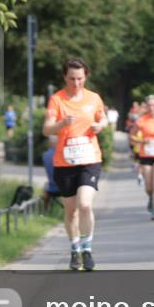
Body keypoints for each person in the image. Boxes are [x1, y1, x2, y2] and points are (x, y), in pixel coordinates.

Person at [43, 57, 107, 271]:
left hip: (89, 159)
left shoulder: (94, 98)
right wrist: (62, 123)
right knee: (71, 211)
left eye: (80, 78)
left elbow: (103, 119)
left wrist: (100, 126)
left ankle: (87, 248)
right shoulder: (57, 100)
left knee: (85, 204)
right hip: (65, 162)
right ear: (65, 77)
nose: (76, 83)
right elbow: (46, 129)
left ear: (86, 76)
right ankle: (75, 249)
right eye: (72, 78)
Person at [130, 95, 154, 221]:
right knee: (149, 186)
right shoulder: (142, 120)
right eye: (149, 105)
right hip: (146, 154)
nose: (152, 107)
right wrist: (142, 140)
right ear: (146, 107)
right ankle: (151, 197)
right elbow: (132, 136)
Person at [41, 135, 61, 210]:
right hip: (64, 187)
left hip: (51, 187)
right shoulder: (62, 154)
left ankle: (45, 210)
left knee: (46, 186)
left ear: (50, 143)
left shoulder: (45, 155)